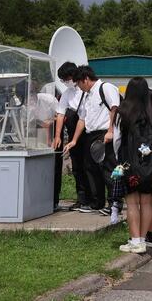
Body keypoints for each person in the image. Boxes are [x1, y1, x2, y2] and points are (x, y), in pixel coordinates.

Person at [113, 77, 152, 254]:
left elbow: (117, 140)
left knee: (132, 203)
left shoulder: (123, 111)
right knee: (147, 201)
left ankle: (135, 241)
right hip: (149, 163)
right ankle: (143, 239)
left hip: (129, 162)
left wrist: (117, 160)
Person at [66, 66, 120, 215]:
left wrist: (110, 131)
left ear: (86, 79)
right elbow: (82, 119)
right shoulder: (87, 95)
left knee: (108, 169)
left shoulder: (106, 87)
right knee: (90, 168)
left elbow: (115, 109)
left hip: (105, 134)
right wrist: (74, 140)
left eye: (79, 84)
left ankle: (114, 203)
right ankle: (96, 203)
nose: (79, 87)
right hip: (90, 135)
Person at [51, 62, 89, 211]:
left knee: (90, 167)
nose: (65, 82)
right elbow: (60, 114)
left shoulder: (86, 90)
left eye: (66, 78)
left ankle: (94, 199)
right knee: (77, 167)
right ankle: (82, 198)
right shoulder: (67, 94)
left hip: (87, 132)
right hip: (73, 132)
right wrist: (58, 136)